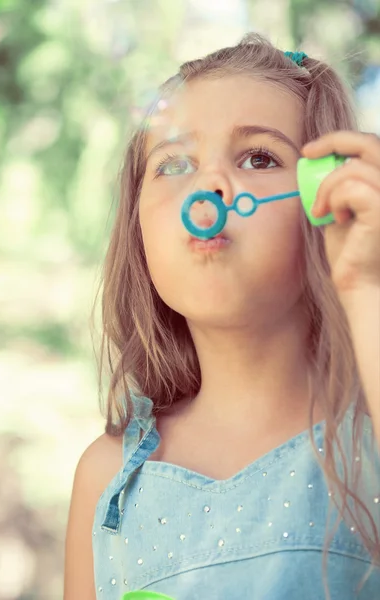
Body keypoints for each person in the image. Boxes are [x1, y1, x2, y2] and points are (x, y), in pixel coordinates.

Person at [63, 34, 380, 600]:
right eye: (174, 163)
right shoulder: (108, 478)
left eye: (259, 157)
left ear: (325, 199)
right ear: (138, 227)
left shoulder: (369, 437)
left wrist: (366, 285)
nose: (209, 185)